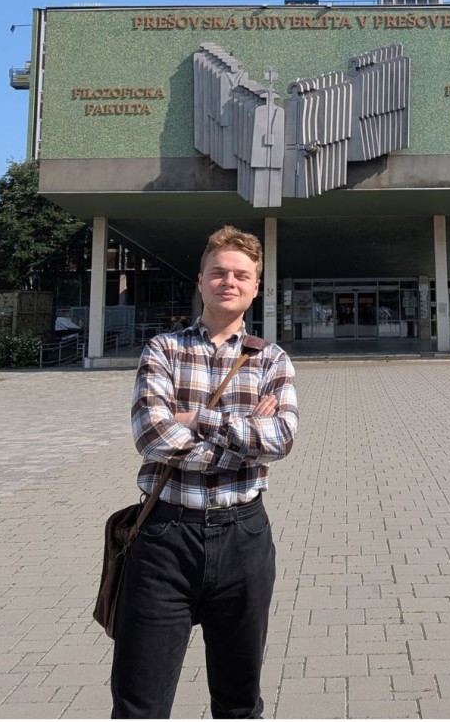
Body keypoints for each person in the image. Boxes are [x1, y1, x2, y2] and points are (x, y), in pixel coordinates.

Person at [110, 225, 298, 719]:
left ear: (256, 286)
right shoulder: (163, 350)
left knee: (239, 702)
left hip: (244, 539)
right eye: (219, 272)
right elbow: (151, 436)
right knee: (139, 703)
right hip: (164, 538)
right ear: (200, 280)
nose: (228, 282)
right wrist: (243, 438)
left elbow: (281, 440)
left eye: (241, 275)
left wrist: (200, 420)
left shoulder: (272, 359)